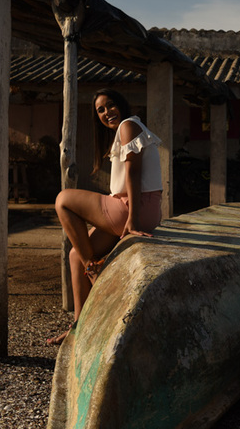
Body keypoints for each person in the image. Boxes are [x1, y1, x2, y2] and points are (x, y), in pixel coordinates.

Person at [48, 88, 163, 345]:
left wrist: (132, 218)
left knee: (63, 199)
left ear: (121, 104)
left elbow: (134, 174)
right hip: (138, 208)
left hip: (134, 208)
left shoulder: (128, 125)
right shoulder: (125, 131)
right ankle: (78, 328)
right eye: (100, 109)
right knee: (75, 255)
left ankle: (93, 270)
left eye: (110, 105)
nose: (106, 112)